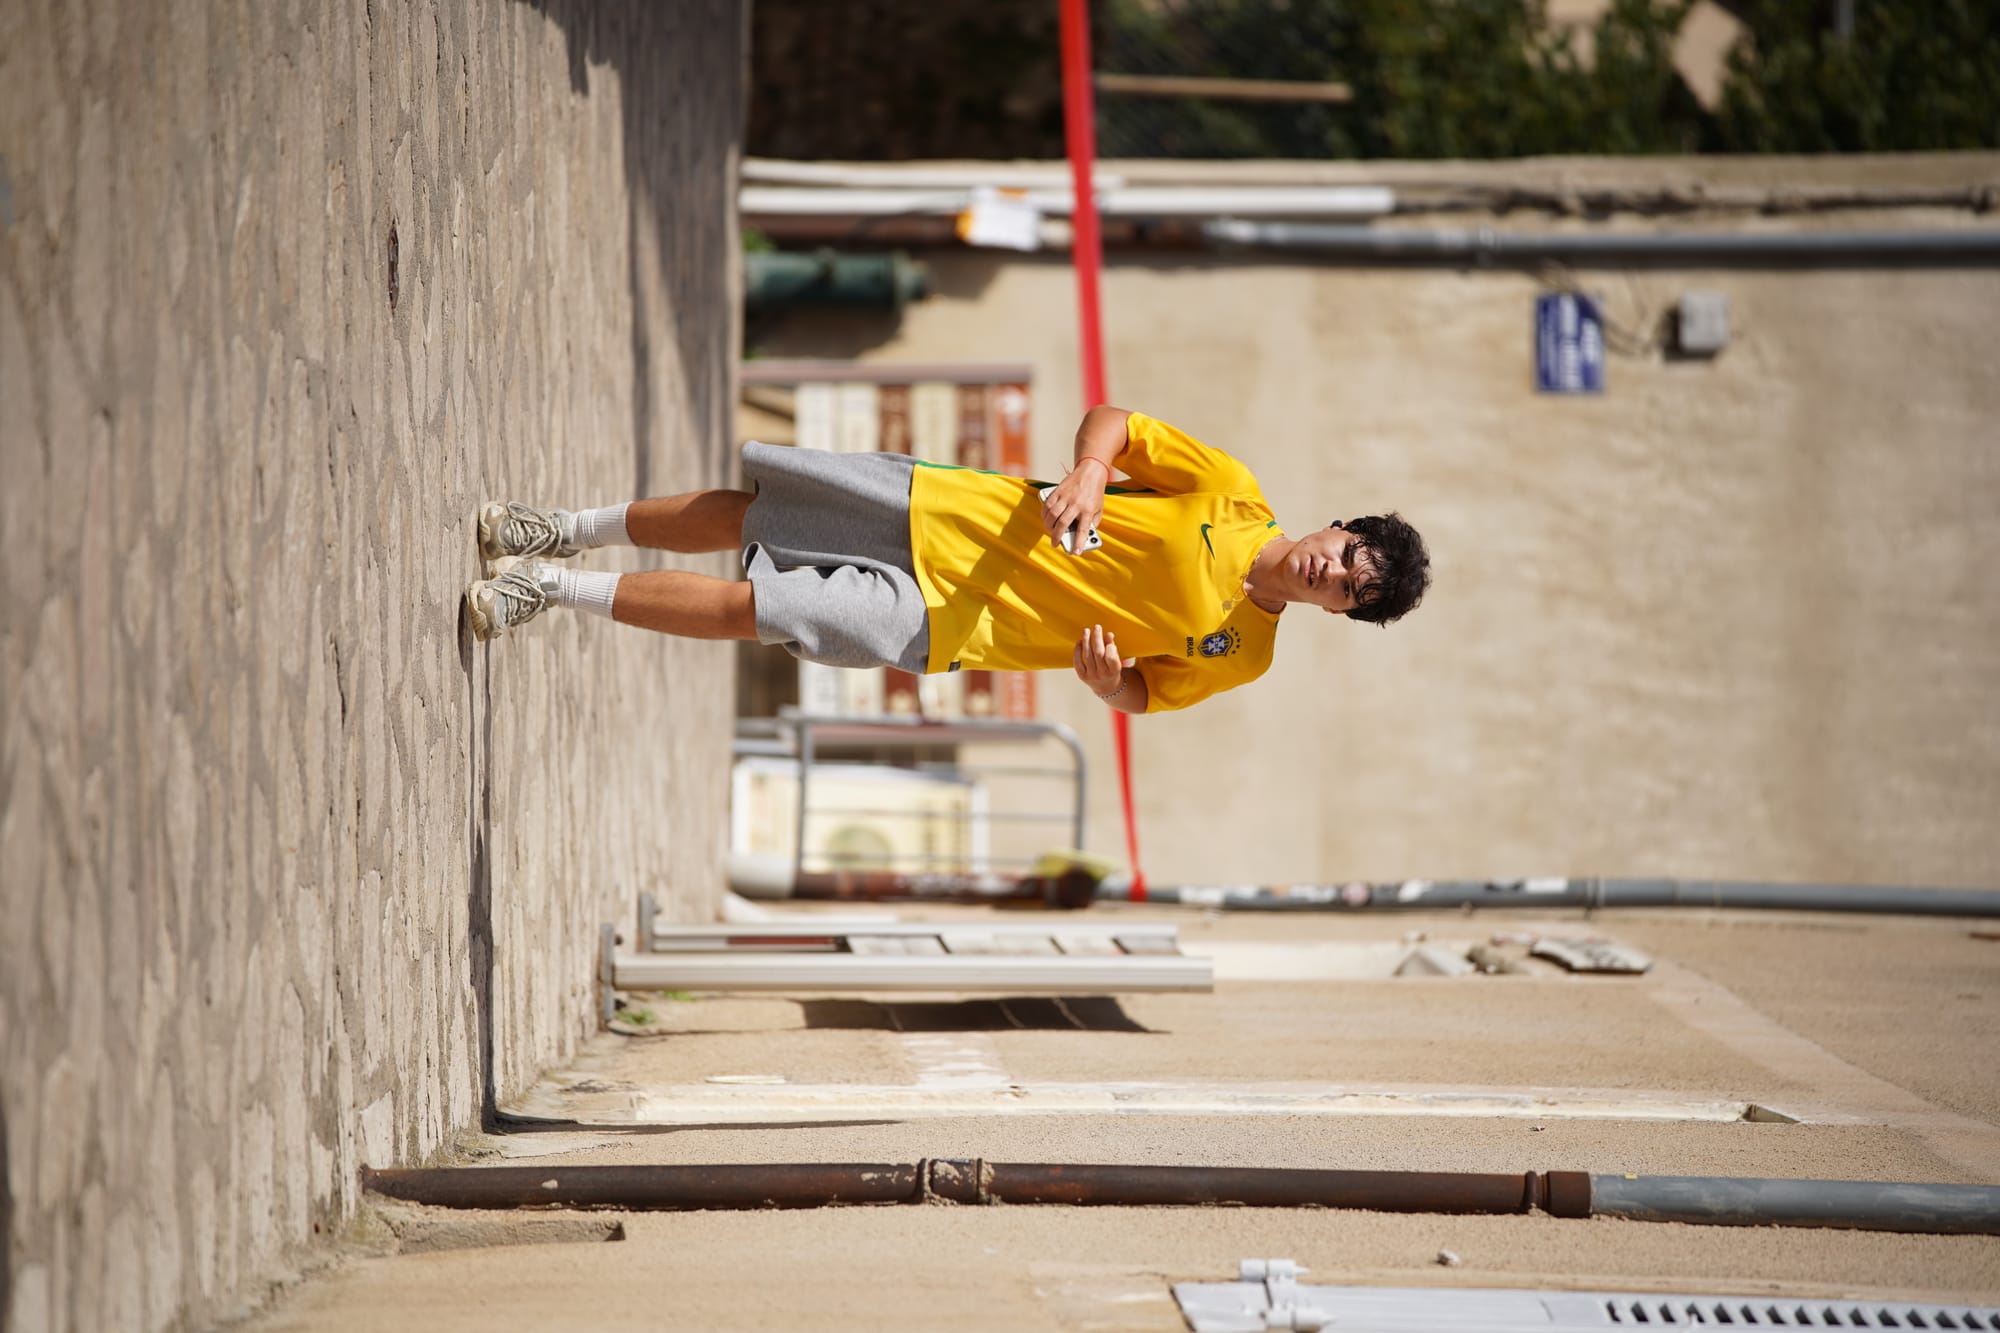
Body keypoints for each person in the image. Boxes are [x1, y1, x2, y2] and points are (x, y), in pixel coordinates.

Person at [465, 406, 1429, 713]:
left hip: (956, 628)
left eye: (1354, 590)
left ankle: (549, 588)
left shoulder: (1243, 656)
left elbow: (1143, 694)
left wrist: (1104, 684)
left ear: (1343, 614)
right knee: (755, 514)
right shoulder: (1231, 490)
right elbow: (1119, 423)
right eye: (1351, 554)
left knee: (760, 612)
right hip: (948, 514)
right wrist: (1092, 472)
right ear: (1338, 528)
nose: (1335, 573)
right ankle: (566, 526)